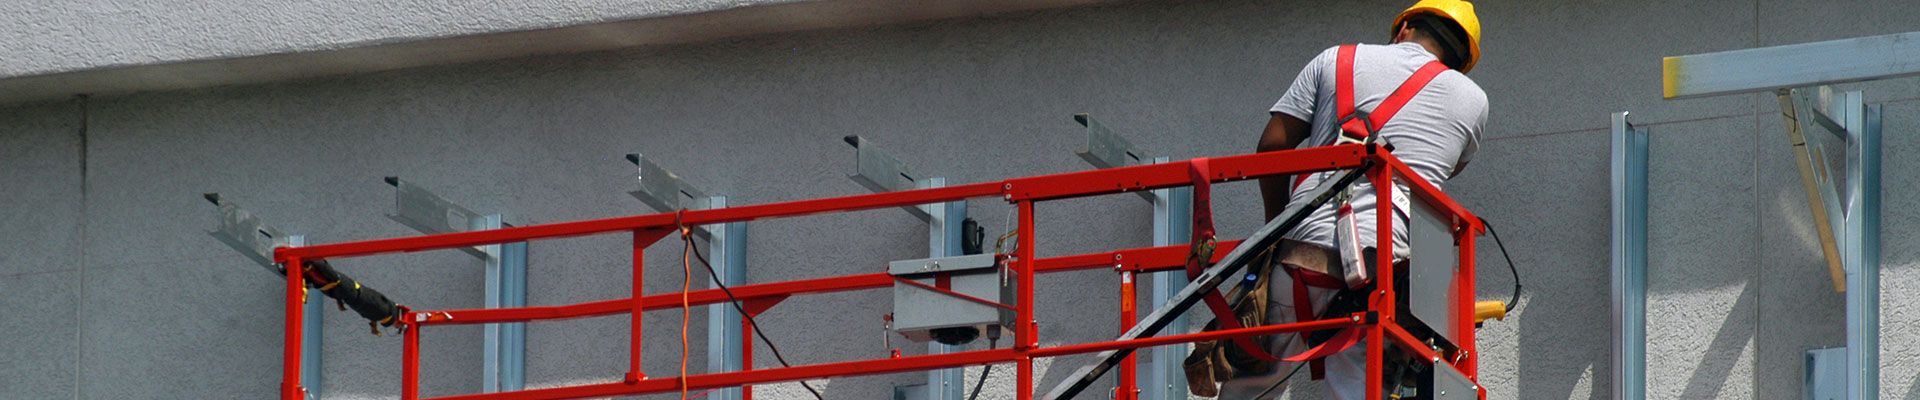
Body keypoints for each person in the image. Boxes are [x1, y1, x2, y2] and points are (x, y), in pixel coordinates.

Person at [1200, 1, 1488, 398]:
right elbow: (1443, 168)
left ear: (1403, 28)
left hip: (1300, 253)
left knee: (1252, 382)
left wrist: (1276, 228)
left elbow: (1272, 147)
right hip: (1382, 269)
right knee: (1359, 386)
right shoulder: (1472, 100)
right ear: (1460, 60)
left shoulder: (1337, 58)